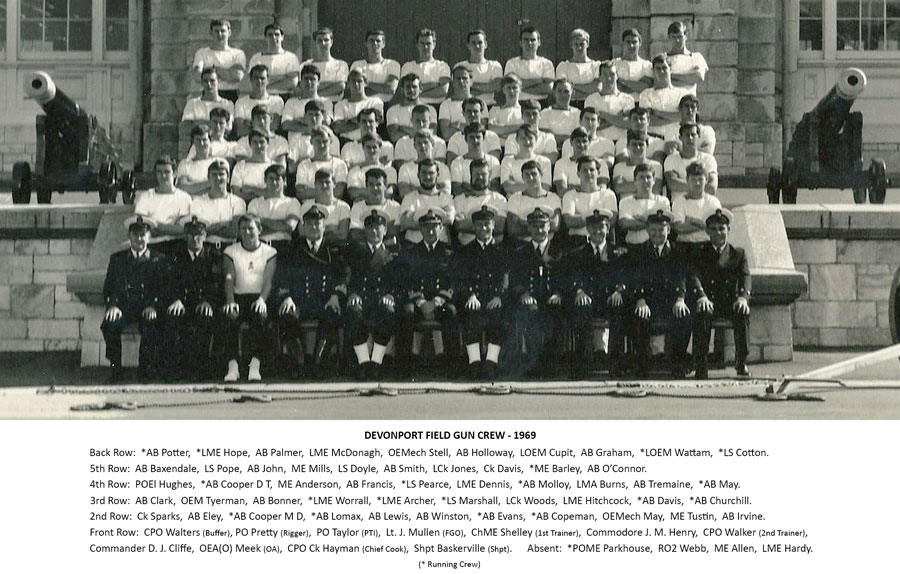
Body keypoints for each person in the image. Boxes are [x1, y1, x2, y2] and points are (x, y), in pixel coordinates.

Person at [273, 205, 346, 378]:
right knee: (287, 316)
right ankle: (299, 364)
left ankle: (319, 363)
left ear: (324, 226)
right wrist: (287, 297)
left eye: (318, 223)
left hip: (324, 301)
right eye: (310, 224)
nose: (314, 227)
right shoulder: (291, 251)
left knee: (333, 315)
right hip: (299, 301)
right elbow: (281, 278)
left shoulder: (333, 251)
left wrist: (336, 296)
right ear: (303, 227)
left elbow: (341, 278)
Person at [559, 208, 628, 377]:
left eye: (602, 227)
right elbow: (571, 277)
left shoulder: (619, 253)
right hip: (588, 299)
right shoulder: (577, 254)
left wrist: (619, 291)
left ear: (608, 228)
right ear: (587, 229)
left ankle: (615, 364)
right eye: (594, 227)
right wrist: (579, 291)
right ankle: (584, 362)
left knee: (620, 311)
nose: (598, 231)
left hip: (610, 298)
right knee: (579, 310)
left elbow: (627, 276)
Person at [101, 216, 167, 382]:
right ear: (129, 237)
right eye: (135, 235)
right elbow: (109, 287)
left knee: (152, 325)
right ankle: (116, 370)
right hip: (124, 307)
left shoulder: (158, 259)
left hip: (147, 308)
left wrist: (154, 306)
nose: (139, 239)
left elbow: (164, 288)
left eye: (143, 235)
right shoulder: (118, 259)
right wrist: (113, 306)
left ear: (149, 237)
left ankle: (144, 371)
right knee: (110, 324)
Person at [628, 208, 692, 378]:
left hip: (670, 302)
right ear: (647, 230)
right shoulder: (639, 252)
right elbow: (635, 278)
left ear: (669, 230)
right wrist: (640, 299)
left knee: (684, 315)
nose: (657, 233)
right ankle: (642, 365)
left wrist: (680, 298)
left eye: (661, 229)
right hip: (648, 302)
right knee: (637, 315)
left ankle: (677, 363)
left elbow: (682, 277)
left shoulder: (679, 252)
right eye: (653, 230)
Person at [689, 208, 751, 379]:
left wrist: (743, 298)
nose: (718, 233)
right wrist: (701, 295)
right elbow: (694, 276)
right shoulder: (700, 252)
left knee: (742, 312)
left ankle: (741, 363)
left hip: (729, 302)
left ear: (728, 230)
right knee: (702, 312)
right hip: (709, 301)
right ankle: (701, 365)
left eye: (722, 228)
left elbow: (746, 277)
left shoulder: (738, 254)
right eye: (714, 229)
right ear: (707, 231)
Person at [397, 208, 458, 374]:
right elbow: (407, 281)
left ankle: (450, 364)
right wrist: (421, 302)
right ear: (420, 229)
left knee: (451, 312)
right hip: (419, 301)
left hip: (440, 301)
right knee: (408, 312)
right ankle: (407, 363)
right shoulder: (411, 253)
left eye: (435, 226)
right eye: (426, 227)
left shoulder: (449, 252)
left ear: (441, 228)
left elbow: (453, 282)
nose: (430, 231)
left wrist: (437, 301)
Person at [508, 207, 565, 378]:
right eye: (535, 226)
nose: (539, 230)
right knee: (529, 314)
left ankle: (551, 362)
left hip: (551, 298)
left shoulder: (558, 252)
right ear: (529, 228)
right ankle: (533, 362)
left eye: (543, 226)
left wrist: (559, 294)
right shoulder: (520, 253)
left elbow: (565, 277)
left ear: (549, 227)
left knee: (556, 314)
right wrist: (523, 295)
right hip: (530, 300)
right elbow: (515, 281)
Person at [344, 209, 402, 379]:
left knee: (388, 312)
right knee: (353, 312)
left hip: (382, 299)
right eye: (370, 228)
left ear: (385, 230)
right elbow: (349, 277)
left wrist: (391, 296)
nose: (374, 231)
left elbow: (399, 281)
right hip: (363, 299)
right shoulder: (355, 252)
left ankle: (376, 361)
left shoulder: (393, 253)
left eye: (378, 228)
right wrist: (352, 294)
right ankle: (363, 362)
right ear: (364, 230)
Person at [163, 216, 222, 381]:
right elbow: (170, 282)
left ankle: (202, 368)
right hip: (183, 303)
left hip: (205, 303)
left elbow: (217, 284)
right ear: (184, 236)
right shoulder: (175, 256)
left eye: (199, 234)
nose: (195, 238)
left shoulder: (214, 256)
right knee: (173, 317)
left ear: (205, 236)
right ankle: (176, 369)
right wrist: (176, 299)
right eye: (190, 234)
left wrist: (207, 301)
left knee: (205, 317)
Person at [221, 213, 277, 382]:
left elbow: (268, 279)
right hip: (238, 297)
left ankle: (255, 365)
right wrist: (230, 300)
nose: (247, 232)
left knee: (261, 317)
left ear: (259, 230)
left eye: (251, 228)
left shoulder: (270, 251)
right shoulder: (230, 251)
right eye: (243, 229)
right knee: (229, 316)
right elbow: (229, 277)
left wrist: (262, 300)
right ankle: (233, 367)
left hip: (260, 297)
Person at [454, 205, 507, 380]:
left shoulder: (502, 251)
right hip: (474, 297)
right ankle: (474, 362)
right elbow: (461, 278)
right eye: (479, 224)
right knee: (471, 312)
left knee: (498, 314)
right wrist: (471, 295)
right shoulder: (465, 252)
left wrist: (499, 296)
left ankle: (491, 361)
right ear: (473, 226)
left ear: (493, 225)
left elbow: (505, 278)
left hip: (495, 297)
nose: (484, 228)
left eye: (487, 224)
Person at [133, 156, 193, 256]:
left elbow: (184, 229)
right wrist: (171, 228)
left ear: (175, 173)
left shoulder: (184, 198)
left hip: (177, 246)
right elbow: (140, 226)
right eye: (159, 172)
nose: (163, 176)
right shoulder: (145, 197)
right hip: (151, 246)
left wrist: (155, 225)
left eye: (167, 172)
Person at [188, 159, 247, 248]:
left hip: (230, 248)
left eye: (221, 174)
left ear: (228, 178)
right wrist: (223, 224)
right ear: (208, 178)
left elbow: (235, 232)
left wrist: (208, 228)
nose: (218, 178)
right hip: (205, 248)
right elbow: (197, 232)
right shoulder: (198, 202)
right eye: (214, 175)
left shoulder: (238, 202)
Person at [561, 156, 618, 242]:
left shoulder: (608, 194)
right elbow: (569, 221)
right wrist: (599, 218)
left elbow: (612, 219)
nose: (588, 173)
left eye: (592, 170)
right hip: (577, 241)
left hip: (602, 240)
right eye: (584, 170)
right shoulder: (569, 195)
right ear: (578, 174)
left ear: (598, 172)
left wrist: (581, 216)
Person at [247, 164, 302, 252]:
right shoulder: (255, 202)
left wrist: (261, 221)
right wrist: (279, 226)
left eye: (277, 179)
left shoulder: (292, 202)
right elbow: (250, 227)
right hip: (260, 247)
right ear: (265, 180)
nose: (274, 182)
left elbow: (288, 226)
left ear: (284, 181)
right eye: (271, 179)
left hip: (283, 247)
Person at [399, 158, 456, 244]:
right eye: (424, 173)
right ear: (418, 175)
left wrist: (416, 217)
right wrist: (437, 219)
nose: (427, 177)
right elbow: (405, 222)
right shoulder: (410, 198)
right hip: (414, 246)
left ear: (438, 175)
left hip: (440, 246)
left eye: (431, 173)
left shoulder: (445, 197)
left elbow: (449, 219)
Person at [454, 159, 508, 246]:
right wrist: (488, 224)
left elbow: (500, 227)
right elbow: (460, 225)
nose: (480, 177)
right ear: (470, 176)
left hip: (494, 248)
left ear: (489, 175)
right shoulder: (460, 200)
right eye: (476, 174)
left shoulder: (499, 199)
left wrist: (470, 224)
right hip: (467, 249)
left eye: (484, 174)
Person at [190, 19, 246, 102]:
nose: (219, 34)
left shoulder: (238, 54)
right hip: (208, 94)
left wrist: (211, 70)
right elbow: (197, 76)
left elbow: (237, 76)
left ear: (229, 33)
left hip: (230, 95)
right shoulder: (202, 53)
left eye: (223, 31)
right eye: (216, 31)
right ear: (211, 33)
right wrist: (228, 72)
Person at [505, 160, 562, 242]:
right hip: (523, 245)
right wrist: (543, 225)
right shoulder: (515, 198)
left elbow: (555, 225)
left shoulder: (552, 197)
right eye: (526, 175)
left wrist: (524, 223)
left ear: (541, 175)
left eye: (534, 174)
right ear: (522, 177)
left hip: (548, 244)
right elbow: (513, 229)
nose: (530, 178)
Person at [672, 163, 722, 254]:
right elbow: (680, 228)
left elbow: (715, 228)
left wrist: (692, 220)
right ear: (687, 180)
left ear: (706, 180)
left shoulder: (713, 202)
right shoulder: (679, 201)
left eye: (700, 179)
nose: (697, 183)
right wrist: (705, 224)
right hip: (684, 248)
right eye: (693, 179)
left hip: (708, 247)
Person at [617, 162, 671, 245]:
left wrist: (641, 220)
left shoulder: (663, 201)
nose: (645, 181)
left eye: (648, 177)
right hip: (635, 248)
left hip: (657, 247)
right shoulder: (626, 202)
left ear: (654, 180)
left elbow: (665, 225)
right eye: (641, 177)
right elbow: (625, 223)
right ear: (635, 181)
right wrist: (653, 222)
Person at [639, 55, 690, 141]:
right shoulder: (645, 94)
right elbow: (649, 121)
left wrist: (656, 112)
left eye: (664, 68)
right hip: (653, 139)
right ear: (653, 71)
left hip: (677, 139)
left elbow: (686, 117)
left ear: (670, 70)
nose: (661, 71)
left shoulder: (682, 93)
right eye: (658, 69)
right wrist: (676, 117)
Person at [664, 123, 719, 202]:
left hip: (704, 205)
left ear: (699, 137)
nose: (690, 138)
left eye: (693, 135)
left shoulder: (708, 159)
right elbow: (672, 184)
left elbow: (712, 187)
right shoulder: (671, 159)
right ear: (680, 138)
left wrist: (682, 183)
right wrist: (700, 184)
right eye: (687, 135)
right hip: (679, 205)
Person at [297, 169, 351, 246]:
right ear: (315, 184)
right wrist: (332, 228)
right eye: (320, 183)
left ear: (334, 184)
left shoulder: (343, 206)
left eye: (327, 182)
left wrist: (316, 231)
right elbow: (302, 232)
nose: (324, 185)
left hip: (335, 249)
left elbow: (343, 234)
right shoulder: (307, 205)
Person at [585, 62, 634, 143]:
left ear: (617, 76)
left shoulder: (628, 99)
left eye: (612, 74)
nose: (609, 78)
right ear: (599, 77)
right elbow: (590, 127)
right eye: (605, 75)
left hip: (622, 143)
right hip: (598, 143)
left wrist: (603, 115)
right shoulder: (591, 99)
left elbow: (628, 124)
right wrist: (617, 119)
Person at [281, 65, 335, 139]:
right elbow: (286, 125)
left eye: (312, 79)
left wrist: (299, 121)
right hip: (296, 145)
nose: (309, 82)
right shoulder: (291, 102)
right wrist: (314, 125)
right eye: (306, 78)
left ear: (318, 82)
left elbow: (326, 122)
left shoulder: (326, 102)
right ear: (301, 82)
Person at [349, 168, 402, 244]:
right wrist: (384, 229)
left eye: (378, 184)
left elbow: (395, 230)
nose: (375, 188)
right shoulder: (358, 207)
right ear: (366, 186)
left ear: (385, 185)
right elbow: (355, 234)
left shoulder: (395, 206)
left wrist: (366, 230)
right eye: (371, 185)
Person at [248, 23, 301, 99]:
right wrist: (283, 77)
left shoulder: (291, 57)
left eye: (277, 34)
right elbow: (252, 81)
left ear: (282, 37)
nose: (273, 37)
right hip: (262, 98)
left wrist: (265, 85)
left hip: (284, 97)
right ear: (265, 37)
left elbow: (292, 82)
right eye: (270, 35)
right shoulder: (256, 58)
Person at [295, 128, 349, 201]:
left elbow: (338, 192)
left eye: (325, 141)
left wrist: (310, 191)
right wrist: (328, 191)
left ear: (330, 142)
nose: (322, 145)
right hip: (309, 207)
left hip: (333, 207)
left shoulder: (340, 164)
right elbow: (300, 192)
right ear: (311, 142)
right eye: (318, 142)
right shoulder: (303, 165)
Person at [401, 28, 451, 105]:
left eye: (428, 43)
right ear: (417, 45)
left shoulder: (442, 66)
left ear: (434, 45)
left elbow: (442, 91)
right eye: (422, 43)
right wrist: (433, 85)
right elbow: (405, 91)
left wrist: (415, 93)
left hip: (436, 106)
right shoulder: (408, 66)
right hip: (414, 107)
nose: (425, 47)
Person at [350, 29, 401, 104]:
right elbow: (354, 91)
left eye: (378, 41)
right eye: (371, 40)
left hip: (385, 105)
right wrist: (382, 88)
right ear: (366, 43)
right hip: (362, 105)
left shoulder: (392, 64)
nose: (375, 43)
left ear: (383, 44)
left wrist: (367, 83)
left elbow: (390, 88)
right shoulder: (357, 64)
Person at [553, 128, 610, 195]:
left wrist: (572, 187)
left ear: (589, 143)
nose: (581, 145)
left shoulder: (600, 164)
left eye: (584, 141)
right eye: (578, 141)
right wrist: (589, 187)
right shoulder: (561, 164)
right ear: (571, 142)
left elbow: (602, 190)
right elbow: (562, 191)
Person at [450, 123, 501, 196]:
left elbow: (495, 188)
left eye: (478, 137)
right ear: (465, 139)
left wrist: (467, 186)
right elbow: (457, 190)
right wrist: (484, 187)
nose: (475, 141)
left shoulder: (493, 161)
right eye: (471, 137)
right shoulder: (457, 162)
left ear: (483, 138)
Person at [504, 27, 554, 102]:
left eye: (533, 40)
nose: (529, 43)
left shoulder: (546, 63)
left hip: (541, 103)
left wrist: (520, 86)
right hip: (518, 103)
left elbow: (548, 88)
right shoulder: (512, 63)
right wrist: (539, 81)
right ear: (520, 43)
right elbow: (511, 85)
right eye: (526, 40)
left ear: (539, 42)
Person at [500, 124, 553, 195]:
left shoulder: (544, 161)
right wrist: (536, 185)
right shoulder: (507, 161)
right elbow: (507, 186)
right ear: (517, 140)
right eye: (523, 138)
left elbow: (545, 188)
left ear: (536, 139)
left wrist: (516, 184)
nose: (527, 142)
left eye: (530, 138)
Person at [333, 69, 385, 141]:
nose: (356, 84)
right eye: (353, 81)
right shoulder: (340, 105)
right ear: (348, 83)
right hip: (347, 143)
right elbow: (337, 128)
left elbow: (379, 120)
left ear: (365, 83)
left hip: (370, 143)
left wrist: (349, 121)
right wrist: (364, 121)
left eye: (359, 81)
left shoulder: (375, 102)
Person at [446, 97, 502, 164]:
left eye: (475, 112)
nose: (472, 115)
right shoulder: (455, 138)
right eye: (469, 111)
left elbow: (492, 163)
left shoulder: (492, 137)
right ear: (463, 113)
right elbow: (452, 164)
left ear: (481, 113)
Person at [397, 132, 452, 198]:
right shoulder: (405, 168)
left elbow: (446, 192)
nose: (422, 146)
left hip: (438, 205)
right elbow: (404, 193)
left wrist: (414, 188)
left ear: (432, 144)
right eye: (419, 143)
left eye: (426, 142)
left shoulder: (443, 168)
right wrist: (435, 188)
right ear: (414, 145)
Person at [612, 130, 665, 199]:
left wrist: (626, 185)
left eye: (641, 144)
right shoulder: (619, 167)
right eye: (634, 144)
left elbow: (656, 189)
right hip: (627, 206)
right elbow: (618, 188)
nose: (638, 147)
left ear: (647, 146)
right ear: (628, 146)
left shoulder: (656, 165)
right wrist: (647, 185)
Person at [302, 27, 349, 103]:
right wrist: (330, 84)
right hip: (311, 105)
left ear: (331, 42)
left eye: (326, 40)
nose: (323, 43)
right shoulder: (306, 64)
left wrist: (313, 92)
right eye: (319, 41)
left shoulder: (341, 65)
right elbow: (301, 88)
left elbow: (340, 87)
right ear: (315, 43)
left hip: (334, 104)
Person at [234, 64, 284, 136]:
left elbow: (275, 125)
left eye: (262, 78)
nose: (259, 81)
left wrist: (249, 122)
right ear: (250, 79)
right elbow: (240, 128)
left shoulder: (277, 101)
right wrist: (266, 124)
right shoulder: (241, 102)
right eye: (256, 78)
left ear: (268, 80)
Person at [386, 74, 438, 143]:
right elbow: (394, 136)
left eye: (414, 86)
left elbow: (432, 133)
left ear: (421, 89)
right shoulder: (392, 110)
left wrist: (403, 128)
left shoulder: (430, 109)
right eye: (408, 87)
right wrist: (421, 132)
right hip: (402, 148)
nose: (411, 90)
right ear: (402, 90)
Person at [346, 134, 398, 203]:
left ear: (380, 148)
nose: (371, 150)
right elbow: (353, 193)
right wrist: (379, 192)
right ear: (363, 148)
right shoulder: (354, 171)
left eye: (374, 147)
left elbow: (389, 193)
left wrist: (362, 194)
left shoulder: (389, 170)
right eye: (368, 147)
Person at [181, 67, 234, 133]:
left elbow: (228, 129)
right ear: (202, 83)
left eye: (212, 81)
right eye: (205, 81)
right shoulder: (192, 103)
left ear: (219, 81)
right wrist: (216, 123)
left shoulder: (227, 104)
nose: (208, 84)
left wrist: (199, 122)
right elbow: (185, 128)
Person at [555, 29, 600, 105]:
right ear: (571, 45)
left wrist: (572, 86)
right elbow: (563, 90)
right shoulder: (563, 66)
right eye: (576, 44)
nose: (579, 48)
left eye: (582, 44)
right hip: (570, 105)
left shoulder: (596, 65)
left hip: (591, 105)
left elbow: (596, 88)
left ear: (587, 44)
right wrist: (587, 92)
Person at [458, 30, 503, 106]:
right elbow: (458, 89)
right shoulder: (460, 66)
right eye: (473, 43)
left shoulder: (494, 65)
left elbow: (497, 86)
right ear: (468, 45)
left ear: (485, 44)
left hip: (489, 105)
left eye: (480, 42)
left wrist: (470, 85)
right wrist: (487, 87)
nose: (477, 46)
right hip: (467, 108)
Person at [231, 129, 274, 203]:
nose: (258, 146)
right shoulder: (240, 166)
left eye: (262, 142)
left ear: (268, 144)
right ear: (250, 144)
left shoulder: (274, 166)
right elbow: (236, 193)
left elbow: (274, 193)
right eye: (255, 142)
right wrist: (263, 192)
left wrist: (251, 189)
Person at [666, 21, 708, 96]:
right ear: (669, 37)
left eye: (680, 37)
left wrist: (671, 76)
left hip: (688, 103)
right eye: (674, 37)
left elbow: (698, 77)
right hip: (668, 102)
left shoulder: (696, 57)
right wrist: (688, 80)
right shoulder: (664, 58)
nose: (677, 40)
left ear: (685, 36)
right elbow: (659, 81)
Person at [612, 28, 653, 101]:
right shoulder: (614, 64)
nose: (631, 45)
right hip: (618, 104)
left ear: (640, 43)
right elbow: (612, 86)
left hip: (639, 105)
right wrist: (635, 85)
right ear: (622, 43)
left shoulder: (647, 65)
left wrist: (621, 81)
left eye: (634, 42)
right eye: (628, 42)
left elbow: (645, 88)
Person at [177, 125, 218, 196]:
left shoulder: (218, 162)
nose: (201, 143)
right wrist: (210, 182)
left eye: (204, 140)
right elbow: (182, 187)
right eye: (198, 140)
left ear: (210, 141)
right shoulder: (184, 164)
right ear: (193, 141)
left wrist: (192, 186)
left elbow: (218, 188)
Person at [540, 79, 581, 146]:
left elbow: (578, 137)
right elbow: (547, 137)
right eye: (559, 91)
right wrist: (569, 138)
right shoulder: (545, 113)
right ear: (554, 93)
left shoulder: (578, 113)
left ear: (572, 93)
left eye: (566, 91)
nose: (563, 95)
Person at [439, 64, 475, 139]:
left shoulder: (479, 103)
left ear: (471, 81)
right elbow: (446, 133)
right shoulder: (445, 104)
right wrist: (468, 127)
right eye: (458, 78)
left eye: (464, 78)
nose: (461, 81)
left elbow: (481, 129)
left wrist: (457, 125)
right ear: (453, 82)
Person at [488, 74, 524, 140]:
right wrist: (520, 127)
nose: (511, 91)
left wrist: (502, 131)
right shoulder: (495, 110)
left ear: (520, 89)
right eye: (508, 88)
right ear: (503, 90)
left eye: (514, 87)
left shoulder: (525, 110)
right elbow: (492, 129)